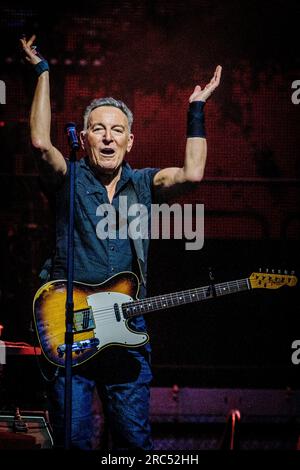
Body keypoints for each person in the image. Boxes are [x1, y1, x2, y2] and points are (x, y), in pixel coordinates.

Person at [20, 34, 222, 451]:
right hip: (69, 329)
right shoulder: (69, 178)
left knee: (133, 443)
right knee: (73, 442)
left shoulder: (144, 183)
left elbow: (193, 173)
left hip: (127, 331)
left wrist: (196, 109)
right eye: (98, 129)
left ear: (131, 141)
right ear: (85, 139)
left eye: (117, 130)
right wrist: (43, 73)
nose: (108, 137)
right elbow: (40, 145)